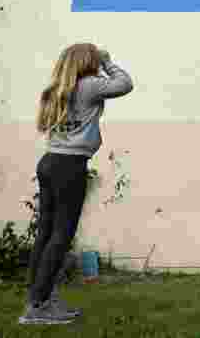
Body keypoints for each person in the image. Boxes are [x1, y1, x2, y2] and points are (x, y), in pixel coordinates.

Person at [19, 43, 133, 326]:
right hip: (70, 166)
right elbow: (125, 84)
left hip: (49, 161)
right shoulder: (90, 85)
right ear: (88, 62)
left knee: (45, 234)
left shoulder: (55, 89)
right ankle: (38, 306)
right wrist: (107, 61)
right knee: (61, 235)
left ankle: (40, 298)